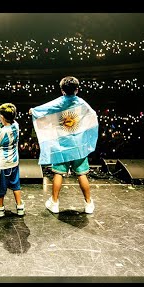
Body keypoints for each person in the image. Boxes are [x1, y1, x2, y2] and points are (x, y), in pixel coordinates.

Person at [29, 76, 99, 214]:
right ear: (77, 90)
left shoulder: (59, 103)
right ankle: (88, 204)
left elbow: (44, 109)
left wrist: (33, 111)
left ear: (62, 90)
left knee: (58, 174)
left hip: (61, 146)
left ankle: (54, 203)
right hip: (78, 147)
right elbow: (93, 115)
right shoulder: (82, 104)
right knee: (82, 174)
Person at [0, 103, 24, 217]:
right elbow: (9, 125)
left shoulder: (1, 132)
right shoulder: (16, 125)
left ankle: (0, 209)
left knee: (1, 187)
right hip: (14, 161)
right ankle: (20, 207)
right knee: (15, 184)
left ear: (2, 117)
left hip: (2, 164)